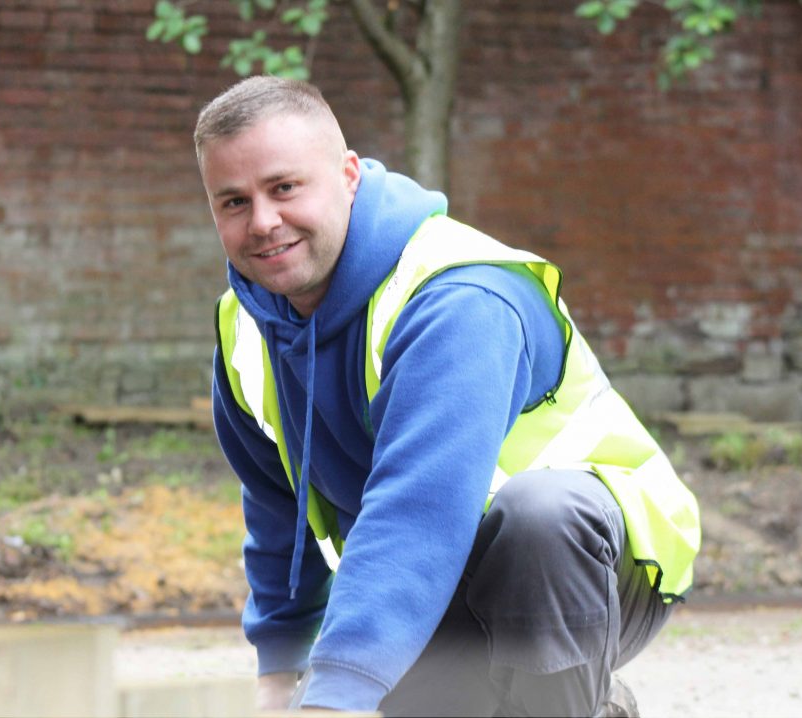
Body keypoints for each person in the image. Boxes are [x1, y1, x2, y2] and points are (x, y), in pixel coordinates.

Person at [195, 75, 700, 717]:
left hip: (587, 567)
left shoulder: (458, 298)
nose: (263, 222)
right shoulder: (246, 326)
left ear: (348, 175)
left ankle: (585, 705)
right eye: (233, 202)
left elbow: (418, 506)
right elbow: (275, 509)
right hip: (438, 582)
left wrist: (335, 697)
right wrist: (280, 675)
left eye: (285, 188)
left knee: (541, 514)